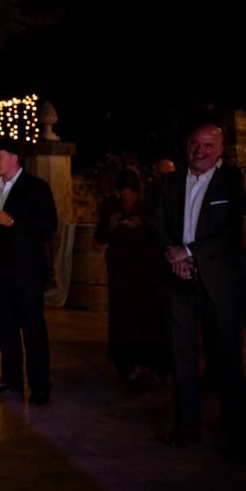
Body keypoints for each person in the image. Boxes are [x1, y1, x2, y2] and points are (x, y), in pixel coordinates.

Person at [147, 123, 245, 456]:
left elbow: (230, 234)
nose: (199, 151)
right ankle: (187, 427)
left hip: (219, 285)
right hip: (179, 281)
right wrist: (171, 253)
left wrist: (188, 252)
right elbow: (155, 224)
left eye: (207, 145)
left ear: (219, 150)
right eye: (195, 143)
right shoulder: (169, 183)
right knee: (182, 359)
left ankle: (236, 435)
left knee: (228, 361)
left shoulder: (231, 183)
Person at [0, 136, 58, 406]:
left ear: (14, 157)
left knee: (33, 329)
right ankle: (11, 378)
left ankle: (40, 384)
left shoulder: (36, 187)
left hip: (27, 271)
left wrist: (14, 221)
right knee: (5, 328)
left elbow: (49, 224)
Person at [95, 168, 168, 386]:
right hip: (120, 273)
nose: (126, 197)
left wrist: (141, 225)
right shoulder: (110, 207)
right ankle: (127, 365)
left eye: (130, 193)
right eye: (123, 193)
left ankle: (151, 365)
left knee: (146, 318)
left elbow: (159, 237)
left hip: (144, 273)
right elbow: (101, 236)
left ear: (137, 192)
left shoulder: (147, 207)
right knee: (122, 319)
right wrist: (112, 225)